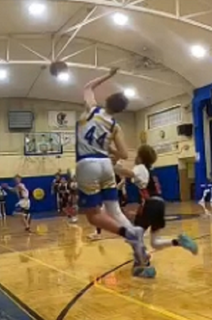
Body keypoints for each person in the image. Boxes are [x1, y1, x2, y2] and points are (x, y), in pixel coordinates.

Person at [76, 67, 152, 278]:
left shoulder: (92, 109)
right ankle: (138, 248)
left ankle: (129, 233)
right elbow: (123, 153)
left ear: (106, 100)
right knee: (115, 211)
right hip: (105, 166)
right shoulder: (115, 126)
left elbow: (88, 86)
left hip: (87, 164)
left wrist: (108, 75)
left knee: (93, 217)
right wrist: (107, 150)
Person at [114, 145, 198, 261]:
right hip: (159, 204)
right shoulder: (149, 171)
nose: (135, 158)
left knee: (134, 236)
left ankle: (144, 264)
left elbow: (129, 173)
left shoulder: (140, 167)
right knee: (155, 243)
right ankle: (178, 241)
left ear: (141, 158)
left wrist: (112, 166)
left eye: (137, 155)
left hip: (151, 204)